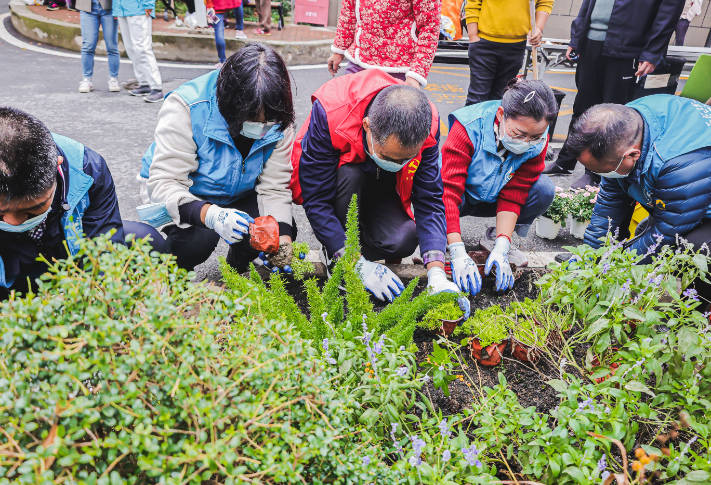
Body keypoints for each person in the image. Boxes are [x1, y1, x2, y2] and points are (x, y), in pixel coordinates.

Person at [291, 69, 459, 302]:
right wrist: (353, 262)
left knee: (405, 239)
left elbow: (429, 200)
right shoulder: (332, 111)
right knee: (351, 175)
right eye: (390, 157)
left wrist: (437, 272)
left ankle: (355, 251)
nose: (398, 164)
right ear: (367, 126)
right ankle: (337, 253)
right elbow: (316, 198)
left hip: (383, 187)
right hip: (341, 183)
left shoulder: (426, 122)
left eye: (406, 159)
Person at [139, 44, 296, 273]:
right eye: (253, 120)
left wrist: (283, 237)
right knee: (197, 241)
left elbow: (274, 188)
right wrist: (211, 215)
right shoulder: (187, 106)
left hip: (238, 192)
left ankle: (236, 268)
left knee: (268, 231)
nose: (263, 128)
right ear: (231, 106)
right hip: (190, 192)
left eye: (268, 122)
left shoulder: (279, 118)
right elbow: (165, 184)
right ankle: (174, 276)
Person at [0, 107, 166, 299]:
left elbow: (105, 245)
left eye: (32, 210)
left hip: (62, 253)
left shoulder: (89, 168)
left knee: (144, 238)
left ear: (57, 166)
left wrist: (96, 300)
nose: (13, 222)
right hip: (10, 264)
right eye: (1, 213)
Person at [543, 0, 685, 189]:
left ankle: (595, 172)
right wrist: (576, 39)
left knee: (611, 115)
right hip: (591, 43)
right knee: (582, 107)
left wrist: (652, 53)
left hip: (626, 47)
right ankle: (565, 161)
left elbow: (668, 12)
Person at [563, 97, 711, 274]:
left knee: (696, 250)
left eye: (603, 170)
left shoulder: (679, 166)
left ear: (632, 154)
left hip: (695, 196)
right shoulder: (623, 127)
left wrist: (617, 273)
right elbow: (609, 208)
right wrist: (587, 259)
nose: (601, 175)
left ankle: (696, 299)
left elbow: (666, 233)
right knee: (641, 234)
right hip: (688, 199)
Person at [441, 80, 557, 294]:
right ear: (501, 114)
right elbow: (449, 192)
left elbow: (515, 194)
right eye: (519, 134)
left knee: (543, 190)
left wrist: (503, 244)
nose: (527, 142)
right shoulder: (468, 126)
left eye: (535, 137)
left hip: (496, 195)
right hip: (461, 197)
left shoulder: (538, 140)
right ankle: (443, 239)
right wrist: (457, 250)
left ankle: (495, 239)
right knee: (436, 195)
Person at [326, 0, 440, 88]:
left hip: (398, 69)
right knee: (346, 111)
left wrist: (416, 74)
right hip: (359, 61)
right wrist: (338, 51)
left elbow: (429, 28)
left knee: (388, 117)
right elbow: (349, 12)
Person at [464, 0, 554, 106]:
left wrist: (538, 28)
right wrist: (472, 35)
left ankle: (494, 122)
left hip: (516, 46)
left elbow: (545, 2)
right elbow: (473, 2)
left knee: (500, 99)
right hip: (484, 42)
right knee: (477, 98)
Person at [113, 0, 164, 103]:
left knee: (142, 49)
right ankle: (144, 83)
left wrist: (148, 4)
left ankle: (157, 87)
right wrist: (116, 9)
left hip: (138, 8)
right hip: (122, 8)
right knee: (131, 48)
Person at [77, 0, 120, 94]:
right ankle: (86, 79)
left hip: (109, 8)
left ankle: (113, 79)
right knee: (88, 46)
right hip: (87, 7)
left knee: (112, 46)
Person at [206, 0, 247, 67]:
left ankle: (222, 61)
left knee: (218, 31)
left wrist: (209, 8)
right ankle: (239, 30)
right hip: (233, 2)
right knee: (239, 3)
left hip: (215, 7)